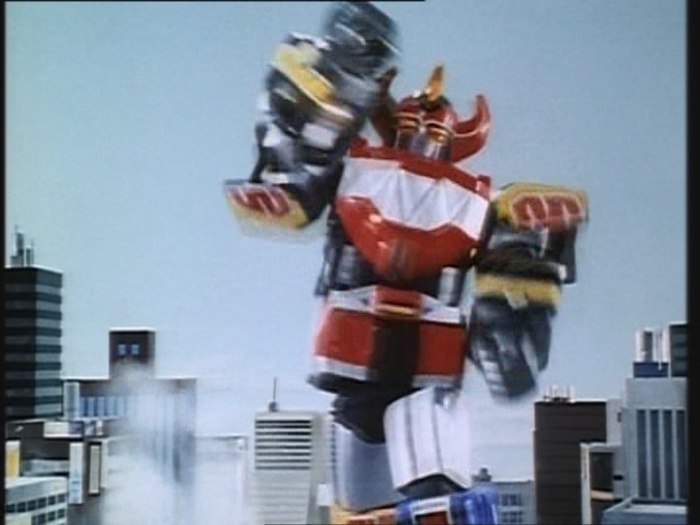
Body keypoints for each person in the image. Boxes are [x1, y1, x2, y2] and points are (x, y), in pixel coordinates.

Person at [225, 4, 587, 524]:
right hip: (357, 364)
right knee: (360, 505)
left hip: (425, 368)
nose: (423, 133)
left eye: (435, 128)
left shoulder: (483, 203)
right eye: (413, 121)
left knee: (431, 463)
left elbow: (514, 300)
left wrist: (516, 298)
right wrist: (320, 91)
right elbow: (292, 183)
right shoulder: (356, 170)